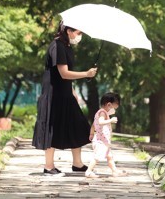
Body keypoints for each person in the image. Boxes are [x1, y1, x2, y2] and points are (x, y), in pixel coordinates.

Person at [32, 22, 98, 176]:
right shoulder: (57, 46)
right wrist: (86, 74)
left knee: (78, 125)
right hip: (53, 96)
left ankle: (77, 163)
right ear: (69, 31)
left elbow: (63, 77)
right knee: (51, 128)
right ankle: (48, 167)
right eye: (78, 33)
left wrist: (73, 90)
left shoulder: (66, 47)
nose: (79, 36)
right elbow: (64, 73)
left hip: (66, 94)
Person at [85, 92, 127, 178]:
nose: (115, 109)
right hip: (101, 141)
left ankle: (114, 171)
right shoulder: (102, 113)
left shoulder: (102, 112)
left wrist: (91, 133)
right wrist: (110, 120)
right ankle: (88, 171)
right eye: (116, 105)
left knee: (109, 157)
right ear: (109, 104)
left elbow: (93, 124)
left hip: (103, 141)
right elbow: (100, 122)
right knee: (97, 157)